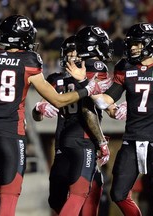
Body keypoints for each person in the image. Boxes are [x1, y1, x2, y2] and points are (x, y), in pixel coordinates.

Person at [0, 15, 105, 216]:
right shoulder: (29, 61)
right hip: (10, 135)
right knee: (8, 198)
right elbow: (58, 101)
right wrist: (87, 88)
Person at [68, 22, 153, 216]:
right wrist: (83, 82)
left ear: (150, 44)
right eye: (131, 44)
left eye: (137, 44)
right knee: (119, 194)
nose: (131, 48)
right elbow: (105, 101)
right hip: (131, 140)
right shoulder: (125, 67)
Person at [34, 27, 113, 216]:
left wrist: (113, 107)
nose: (71, 58)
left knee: (84, 189)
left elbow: (104, 105)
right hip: (82, 140)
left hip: (64, 144)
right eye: (68, 54)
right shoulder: (91, 70)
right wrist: (39, 108)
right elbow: (90, 109)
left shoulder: (55, 80)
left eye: (74, 54)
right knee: (77, 194)